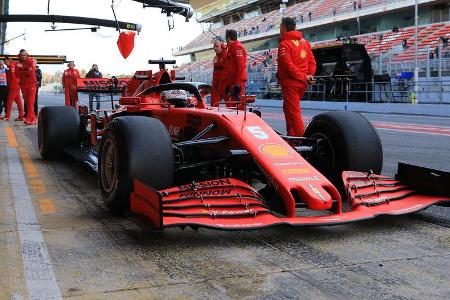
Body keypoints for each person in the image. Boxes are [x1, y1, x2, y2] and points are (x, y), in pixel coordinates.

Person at [277, 17, 316, 137]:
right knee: (288, 109)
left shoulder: (284, 44)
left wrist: (304, 77)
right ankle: (292, 137)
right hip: (301, 84)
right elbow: (312, 62)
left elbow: (289, 66)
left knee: (293, 112)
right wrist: (309, 76)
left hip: (291, 84)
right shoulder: (305, 42)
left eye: (280, 27)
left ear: (283, 28)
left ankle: (300, 140)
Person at [223, 29, 248, 109]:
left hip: (238, 82)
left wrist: (237, 84)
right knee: (232, 107)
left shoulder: (237, 47)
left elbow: (240, 66)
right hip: (233, 82)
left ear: (228, 39)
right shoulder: (232, 48)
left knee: (239, 106)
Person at [16, 49, 37, 125]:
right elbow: (17, 74)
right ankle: (33, 118)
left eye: (24, 55)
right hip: (23, 85)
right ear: (19, 56)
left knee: (30, 101)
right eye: (21, 55)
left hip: (32, 84)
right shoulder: (18, 63)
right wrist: (26, 71)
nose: (23, 57)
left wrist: (22, 71)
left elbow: (31, 73)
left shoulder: (31, 61)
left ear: (27, 55)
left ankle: (29, 118)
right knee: (27, 102)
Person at [2, 56, 24, 121]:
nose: (6, 64)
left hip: (13, 87)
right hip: (16, 86)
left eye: (6, 62)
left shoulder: (12, 66)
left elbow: (13, 78)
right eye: (5, 63)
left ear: (9, 60)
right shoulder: (11, 66)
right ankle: (21, 116)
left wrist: (10, 86)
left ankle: (7, 116)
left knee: (9, 101)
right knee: (18, 101)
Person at [211, 39, 228, 107]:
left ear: (222, 46)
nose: (215, 48)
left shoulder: (226, 56)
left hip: (225, 85)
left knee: (231, 106)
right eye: (214, 47)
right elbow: (215, 73)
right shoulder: (216, 57)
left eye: (217, 46)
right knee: (213, 106)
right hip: (216, 85)